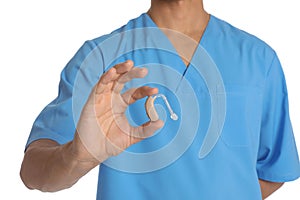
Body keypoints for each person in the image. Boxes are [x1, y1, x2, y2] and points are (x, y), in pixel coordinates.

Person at [20, 0, 300, 199]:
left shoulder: (259, 59)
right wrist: (76, 158)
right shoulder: (100, 58)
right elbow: (32, 172)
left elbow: (274, 168)